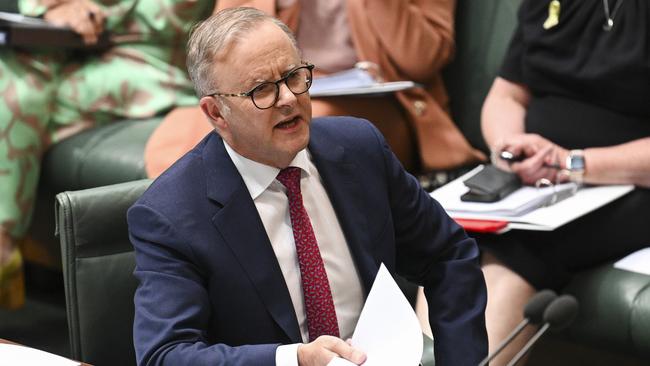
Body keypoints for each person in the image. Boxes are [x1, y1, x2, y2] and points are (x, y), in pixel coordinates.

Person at [128, 7, 488, 366]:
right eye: (262, 90)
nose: (288, 99)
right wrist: (293, 360)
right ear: (216, 113)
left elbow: (448, 256)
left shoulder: (359, 150)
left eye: (294, 76)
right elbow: (165, 355)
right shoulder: (172, 214)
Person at [0, 0, 215, 308]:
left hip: (152, 64)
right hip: (65, 45)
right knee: (12, 80)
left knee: (18, 95)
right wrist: (53, 7)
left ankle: (3, 247)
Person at [479, 0, 650, 364]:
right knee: (449, 230)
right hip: (535, 178)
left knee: (522, 239)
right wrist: (509, 148)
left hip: (631, 183)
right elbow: (506, 94)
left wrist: (571, 163)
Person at [142, 0, 486, 178]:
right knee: (174, 138)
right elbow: (219, 49)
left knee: (306, 123)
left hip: (381, 102)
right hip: (269, 88)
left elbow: (422, 59)